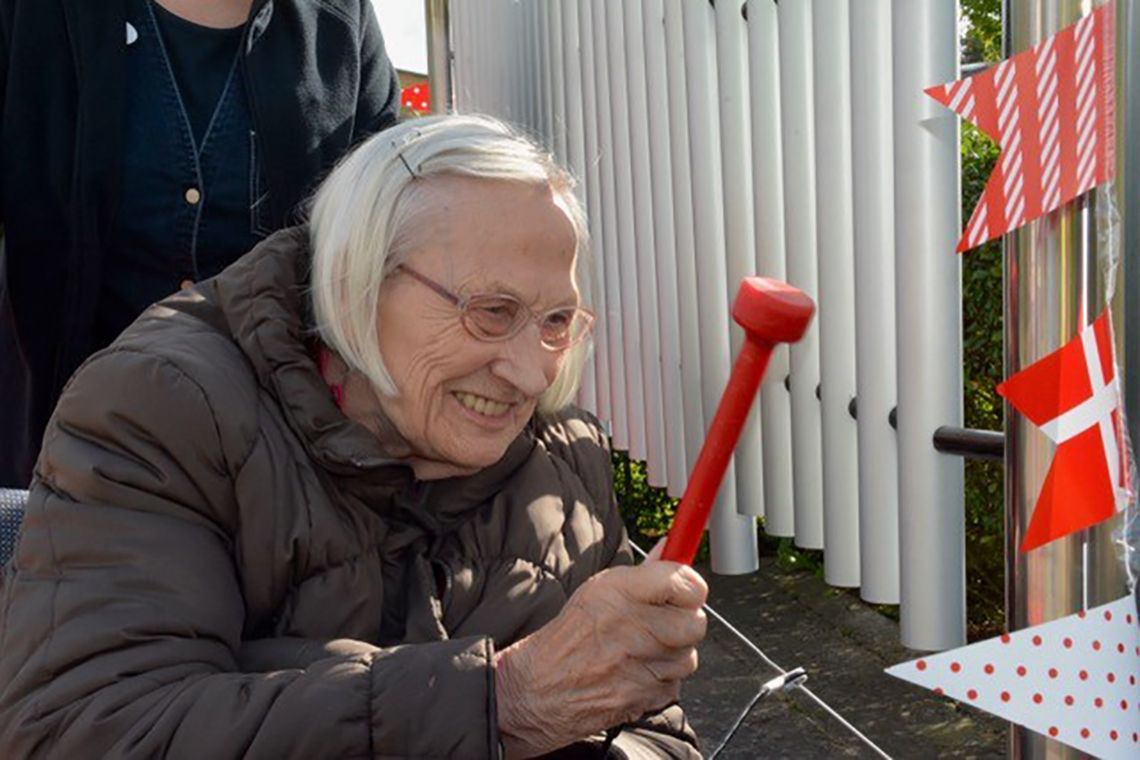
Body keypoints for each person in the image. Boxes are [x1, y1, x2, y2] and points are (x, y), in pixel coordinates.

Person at [0, 115, 708, 758]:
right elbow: (82, 729)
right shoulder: (165, 409)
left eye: (556, 321)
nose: (529, 373)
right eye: (491, 311)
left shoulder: (561, 455)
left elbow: (651, 727)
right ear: (355, 281)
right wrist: (503, 700)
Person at [0, 0, 400, 486]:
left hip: (273, 472)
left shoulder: (338, 22)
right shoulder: (32, 17)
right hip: (71, 457)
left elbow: (385, 236)